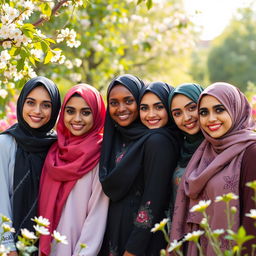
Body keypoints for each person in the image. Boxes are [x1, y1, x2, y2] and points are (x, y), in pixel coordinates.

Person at [170, 82, 256, 255]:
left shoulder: (251, 151)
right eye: (204, 112)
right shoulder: (206, 150)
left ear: (235, 108)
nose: (211, 119)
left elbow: (252, 220)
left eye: (219, 110)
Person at [99, 75, 179, 256]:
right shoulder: (119, 138)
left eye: (129, 101)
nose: (121, 109)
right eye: (114, 103)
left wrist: (133, 250)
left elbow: (154, 200)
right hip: (114, 232)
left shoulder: (157, 141)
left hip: (140, 242)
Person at [39, 84, 109, 256]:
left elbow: (97, 217)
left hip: (77, 249)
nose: (77, 118)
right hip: (46, 243)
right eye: (70, 111)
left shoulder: (100, 154)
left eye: (86, 112)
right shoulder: (54, 150)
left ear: (98, 115)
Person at [0, 76, 61, 255]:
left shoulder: (57, 147)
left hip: (49, 246)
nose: (37, 111)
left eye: (46, 105)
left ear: (55, 108)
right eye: (31, 102)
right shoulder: (5, 143)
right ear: (21, 104)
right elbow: (0, 200)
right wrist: (8, 248)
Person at [169, 83, 204, 204]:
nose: (186, 117)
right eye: (177, 113)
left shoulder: (222, 146)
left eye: (192, 108)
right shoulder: (177, 149)